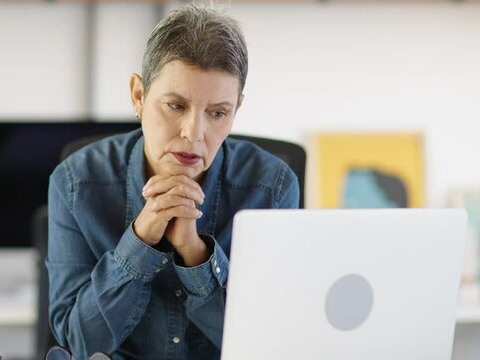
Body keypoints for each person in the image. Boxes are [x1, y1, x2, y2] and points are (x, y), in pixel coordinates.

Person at [47, 5, 299, 360]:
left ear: (236, 110)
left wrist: (195, 253)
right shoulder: (76, 182)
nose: (193, 134)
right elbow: (80, 343)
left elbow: (268, 344)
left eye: (218, 113)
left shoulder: (273, 186)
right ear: (138, 95)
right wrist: (140, 241)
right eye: (176, 106)